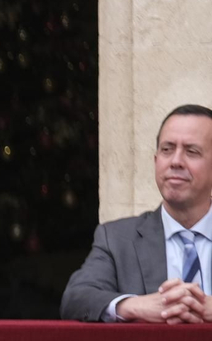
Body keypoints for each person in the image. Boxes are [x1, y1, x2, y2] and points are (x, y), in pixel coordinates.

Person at [61, 104, 212, 323]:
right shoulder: (116, 238)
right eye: (167, 149)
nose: (176, 161)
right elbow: (75, 299)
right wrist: (133, 305)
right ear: (156, 161)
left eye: (192, 151)